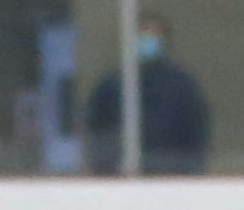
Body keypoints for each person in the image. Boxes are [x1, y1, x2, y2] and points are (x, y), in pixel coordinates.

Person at [79, 14, 211, 173]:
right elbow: (96, 129)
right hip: (121, 174)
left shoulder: (181, 86)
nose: (147, 42)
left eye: (153, 37)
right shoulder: (113, 85)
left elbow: (196, 131)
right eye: (142, 36)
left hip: (172, 172)